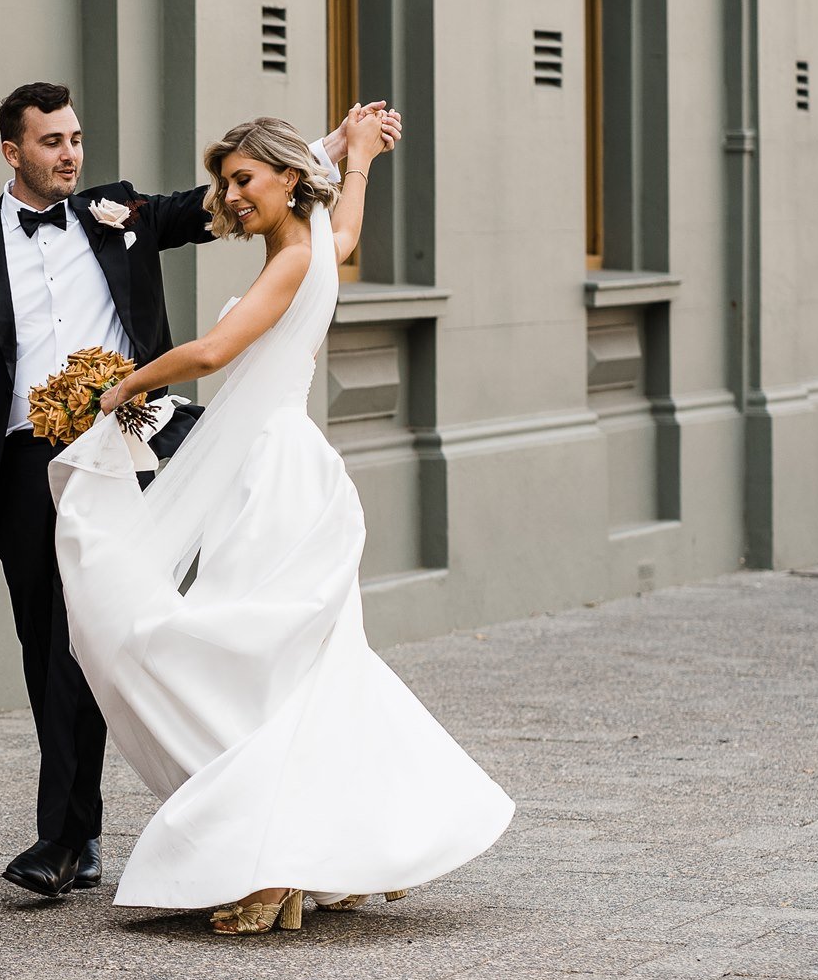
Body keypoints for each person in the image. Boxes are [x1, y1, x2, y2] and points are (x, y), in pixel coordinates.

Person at [0, 82, 372, 898]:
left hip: (130, 451)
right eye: (51, 142)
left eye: (75, 138)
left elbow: (219, 201)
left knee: (119, 633)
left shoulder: (119, 213)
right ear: (13, 152)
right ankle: (75, 839)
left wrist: (330, 147)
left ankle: (131, 823)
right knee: (50, 642)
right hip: (19, 467)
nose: (70, 153)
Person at [51, 106, 514, 935]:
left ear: (287, 179)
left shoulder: (292, 259)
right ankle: (328, 843)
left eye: (242, 180)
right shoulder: (313, 253)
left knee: (241, 655)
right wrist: (360, 156)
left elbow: (211, 352)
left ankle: (273, 861)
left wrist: (116, 389)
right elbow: (345, 233)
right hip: (283, 472)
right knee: (292, 666)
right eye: (225, 183)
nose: (227, 197)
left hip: (273, 479)